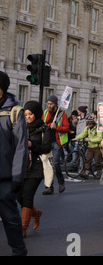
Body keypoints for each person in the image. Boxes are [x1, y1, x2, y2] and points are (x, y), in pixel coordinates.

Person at [0, 71, 28, 255]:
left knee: (10, 218)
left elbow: (21, 148)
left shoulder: (14, 113)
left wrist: (17, 178)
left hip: (5, 177)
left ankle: (19, 251)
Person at [19, 101, 52, 237]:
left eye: (30, 114)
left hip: (38, 167)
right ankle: (36, 213)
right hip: (22, 166)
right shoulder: (22, 128)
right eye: (26, 114)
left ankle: (23, 228)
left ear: (36, 114)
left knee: (27, 195)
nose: (28, 117)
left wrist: (32, 145)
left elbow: (46, 148)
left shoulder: (45, 129)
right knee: (18, 196)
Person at [42, 95, 70, 194]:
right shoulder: (45, 112)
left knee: (56, 163)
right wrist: (49, 125)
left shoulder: (62, 114)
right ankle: (49, 186)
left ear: (55, 104)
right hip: (47, 141)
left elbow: (66, 128)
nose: (49, 105)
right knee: (47, 165)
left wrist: (57, 127)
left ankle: (61, 182)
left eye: (51, 104)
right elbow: (43, 124)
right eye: (48, 103)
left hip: (57, 142)